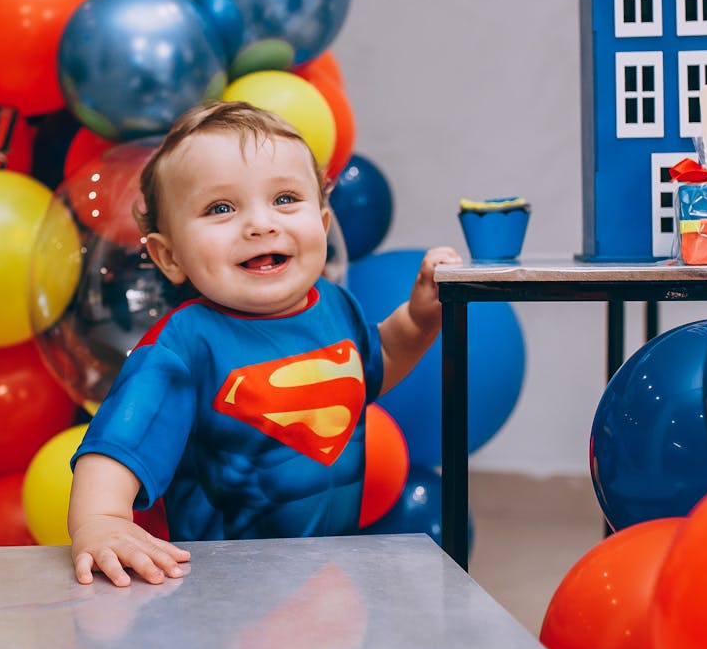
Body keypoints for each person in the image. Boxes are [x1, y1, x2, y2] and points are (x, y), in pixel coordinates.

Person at [68, 100, 461, 586]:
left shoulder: (337, 308)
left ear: (321, 223)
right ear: (169, 256)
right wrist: (102, 520)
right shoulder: (184, 346)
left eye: (284, 199)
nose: (260, 224)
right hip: (221, 589)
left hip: (326, 581)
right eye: (221, 208)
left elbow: (374, 365)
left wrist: (420, 322)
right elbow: (114, 450)